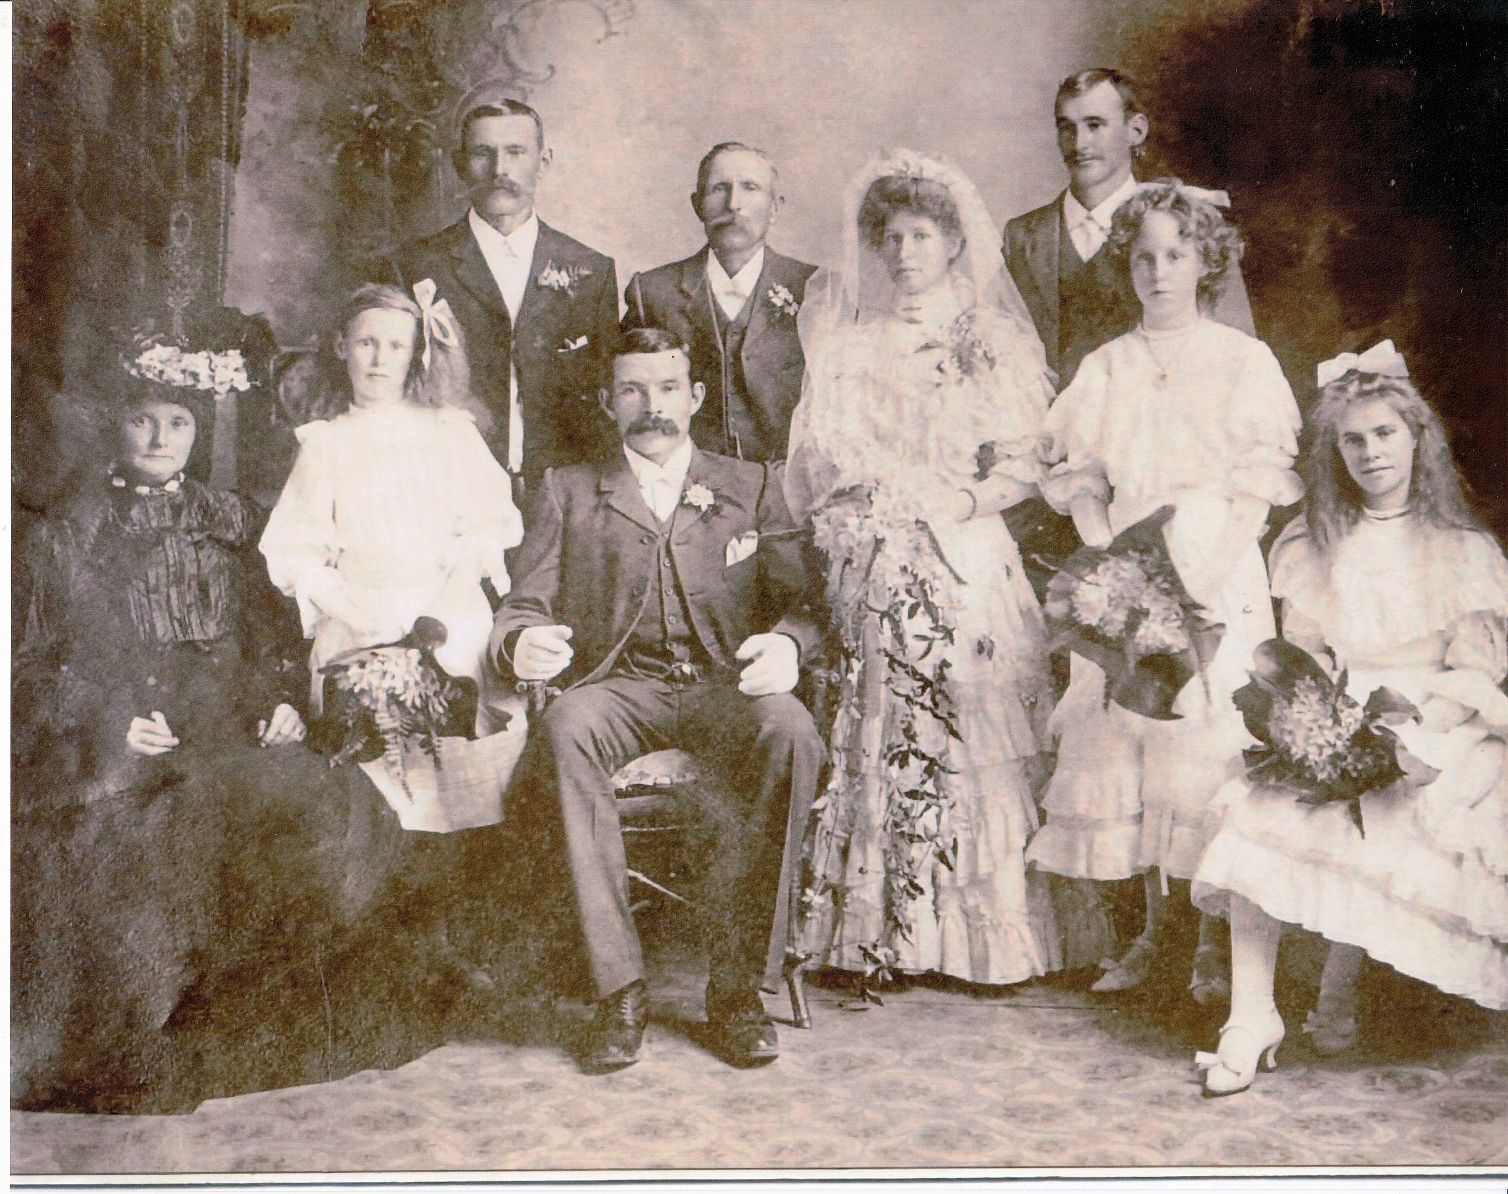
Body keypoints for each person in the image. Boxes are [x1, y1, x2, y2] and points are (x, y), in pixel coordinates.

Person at [11, 359, 424, 1113]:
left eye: (178, 422)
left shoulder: (230, 518)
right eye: (143, 420)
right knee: (144, 829)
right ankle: (150, 1039)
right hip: (124, 732)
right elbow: (31, 660)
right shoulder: (69, 530)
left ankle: (283, 1031)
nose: (160, 437)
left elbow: (270, 636)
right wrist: (108, 718)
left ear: (197, 431)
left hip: (227, 719)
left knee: (328, 799)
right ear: (116, 425)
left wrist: (281, 701)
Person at [785, 150, 1104, 986]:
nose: (904, 253)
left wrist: (957, 503)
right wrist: (875, 511)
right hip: (878, 556)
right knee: (881, 726)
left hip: (968, 554)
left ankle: (982, 943)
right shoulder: (847, 345)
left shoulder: (991, 339)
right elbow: (821, 461)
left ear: (956, 242)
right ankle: (884, 937)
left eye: (922, 236)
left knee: (976, 730)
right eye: (891, 237)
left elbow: (1026, 463)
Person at [492, 327, 825, 1073]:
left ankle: (737, 990)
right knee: (565, 728)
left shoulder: (753, 484)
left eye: (668, 388)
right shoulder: (569, 488)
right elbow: (523, 604)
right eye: (633, 390)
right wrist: (522, 642)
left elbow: (806, 602)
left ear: (696, 396)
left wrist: (789, 645)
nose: (654, 406)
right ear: (607, 403)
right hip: (621, 685)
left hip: (725, 685)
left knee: (791, 732)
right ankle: (619, 990)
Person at [1189, 344, 1508, 1096]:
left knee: (1384, 807)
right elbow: (1301, 654)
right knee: (1263, 809)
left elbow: (1475, 670)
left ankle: (1338, 988)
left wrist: (1410, 726)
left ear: (1417, 438)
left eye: (1385, 433)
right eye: (1353, 440)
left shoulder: (1463, 550)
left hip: (1434, 714)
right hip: (1338, 705)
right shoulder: (1316, 542)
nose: (1371, 453)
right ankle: (1251, 1017)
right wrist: (1313, 718)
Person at [1025, 180, 1303, 1000]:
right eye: (1143, 257)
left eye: (1176, 255)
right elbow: (1081, 482)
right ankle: (1155, 932)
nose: (1158, 272)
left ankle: (1215, 944)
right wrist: (1112, 568)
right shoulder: (1106, 366)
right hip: (1130, 572)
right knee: (1134, 745)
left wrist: (1199, 583)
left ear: (1205, 261)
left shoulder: (1242, 360)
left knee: (1205, 751)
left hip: (1216, 567)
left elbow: (1257, 487)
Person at [1001, 68, 1258, 602]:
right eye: (1067, 127)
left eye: (1096, 124)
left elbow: (1231, 361)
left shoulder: (1186, 223)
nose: (1080, 142)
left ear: (1136, 130)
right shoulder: (1023, 236)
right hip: (1050, 480)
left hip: (1152, 477)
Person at [260, 283, 523, 744]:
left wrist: (437, 618)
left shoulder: (450, 431)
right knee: (370, 734)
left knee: (458, 731)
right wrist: (359, 619)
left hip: (449, 611)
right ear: (341, 346)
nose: (380, 360)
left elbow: (484, 531)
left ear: (415, 354)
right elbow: (297, 553)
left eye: (396, 346)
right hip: (360, 618)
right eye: (367, 343)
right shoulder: (326, 442)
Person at [380, 100, 619, 489]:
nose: (499, 170)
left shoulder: (592, 270)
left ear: (543, 162)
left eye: (515, 152)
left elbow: (605, 395)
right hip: (447, 481)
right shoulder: (413, 267)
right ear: (460, 164)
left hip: (562, 486)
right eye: (482, 153)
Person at [622, 142, 818, 462]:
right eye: (719, 189)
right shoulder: (653, 293)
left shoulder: (815, 289)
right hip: (687, 480)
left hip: (789, 481)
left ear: (774, 207)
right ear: (698, 205)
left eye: (750, 188)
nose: (733, 204)